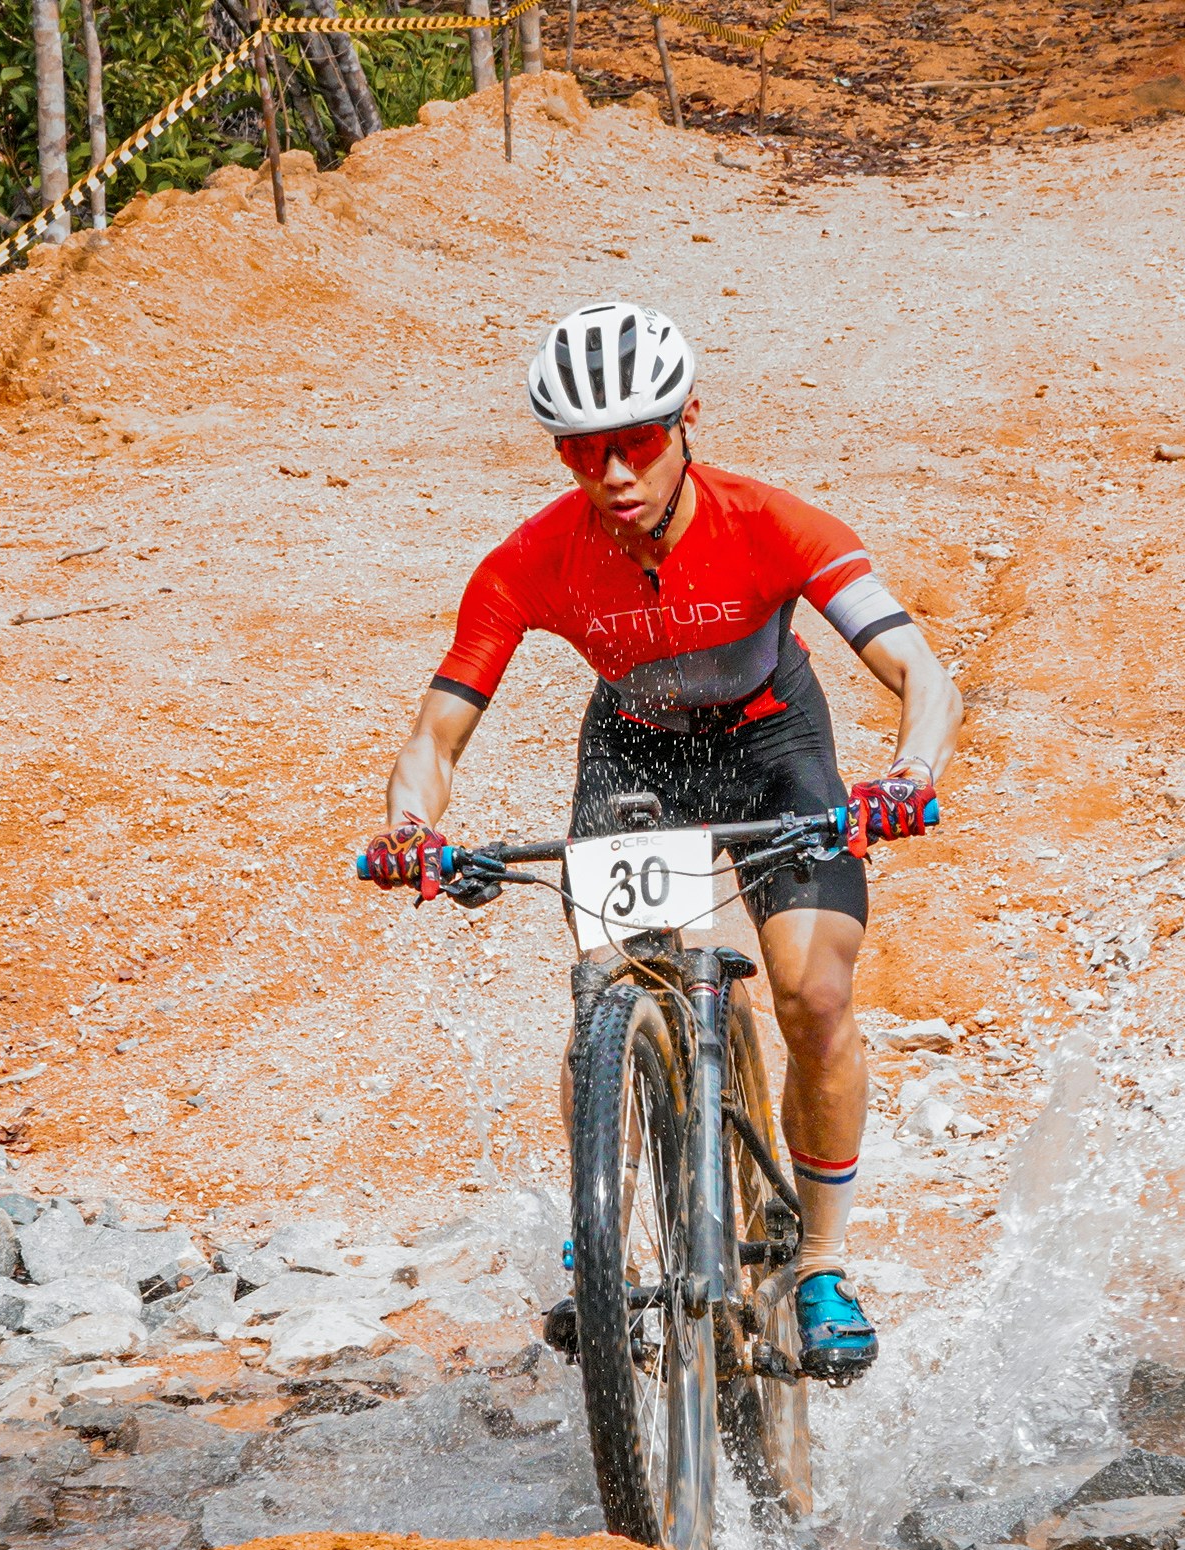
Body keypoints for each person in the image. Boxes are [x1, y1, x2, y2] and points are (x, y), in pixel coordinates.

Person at [357, 301, 963, 1382]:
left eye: (636, 442)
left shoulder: (771, 522)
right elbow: (436, 731)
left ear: (687, 420)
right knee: (605, 988)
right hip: (635, 754)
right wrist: (410, 826)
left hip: (773, 744)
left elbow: (922, 672)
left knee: (812, 991)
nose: (614, 473)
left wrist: (908, 776)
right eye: (582, 452)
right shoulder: (530, 558)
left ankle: (822, 1263)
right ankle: (603, 1231)